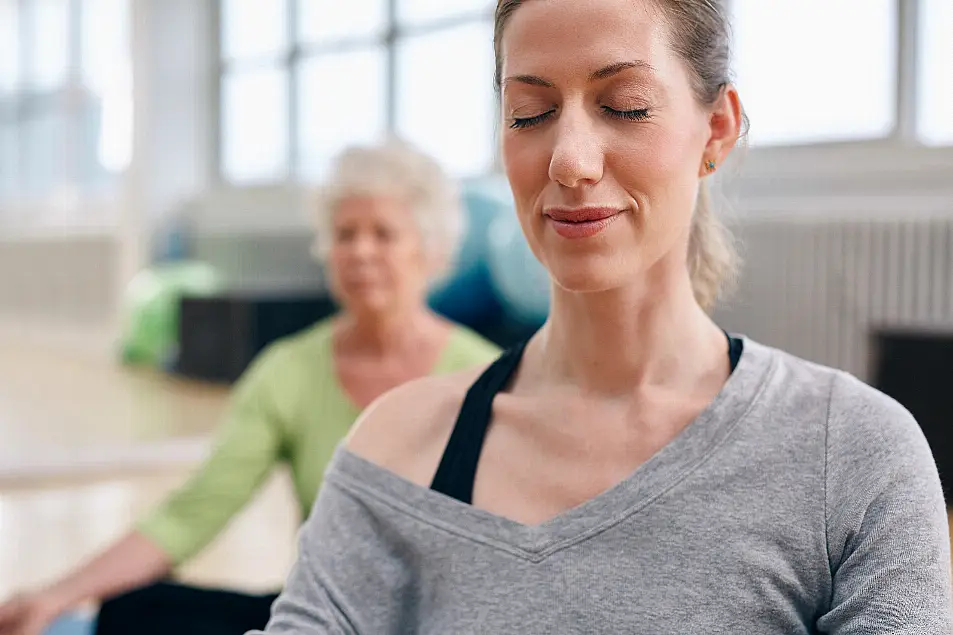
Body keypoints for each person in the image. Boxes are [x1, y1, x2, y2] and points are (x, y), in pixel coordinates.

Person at [251, 0, 953, 633]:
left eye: (624, 105)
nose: (568, 159)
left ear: (716, 128)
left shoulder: (853, 454)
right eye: (529, 112)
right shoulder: (398, 450)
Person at [0, 139, 501, 635]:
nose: (361, 252)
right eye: (345, 234)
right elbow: (193, 512)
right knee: (136, 609)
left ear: (430, 251)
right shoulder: (288, 370)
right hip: (321, 615)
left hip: (441, 622)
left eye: (383, 234)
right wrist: (56, 595)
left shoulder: (485, 376)